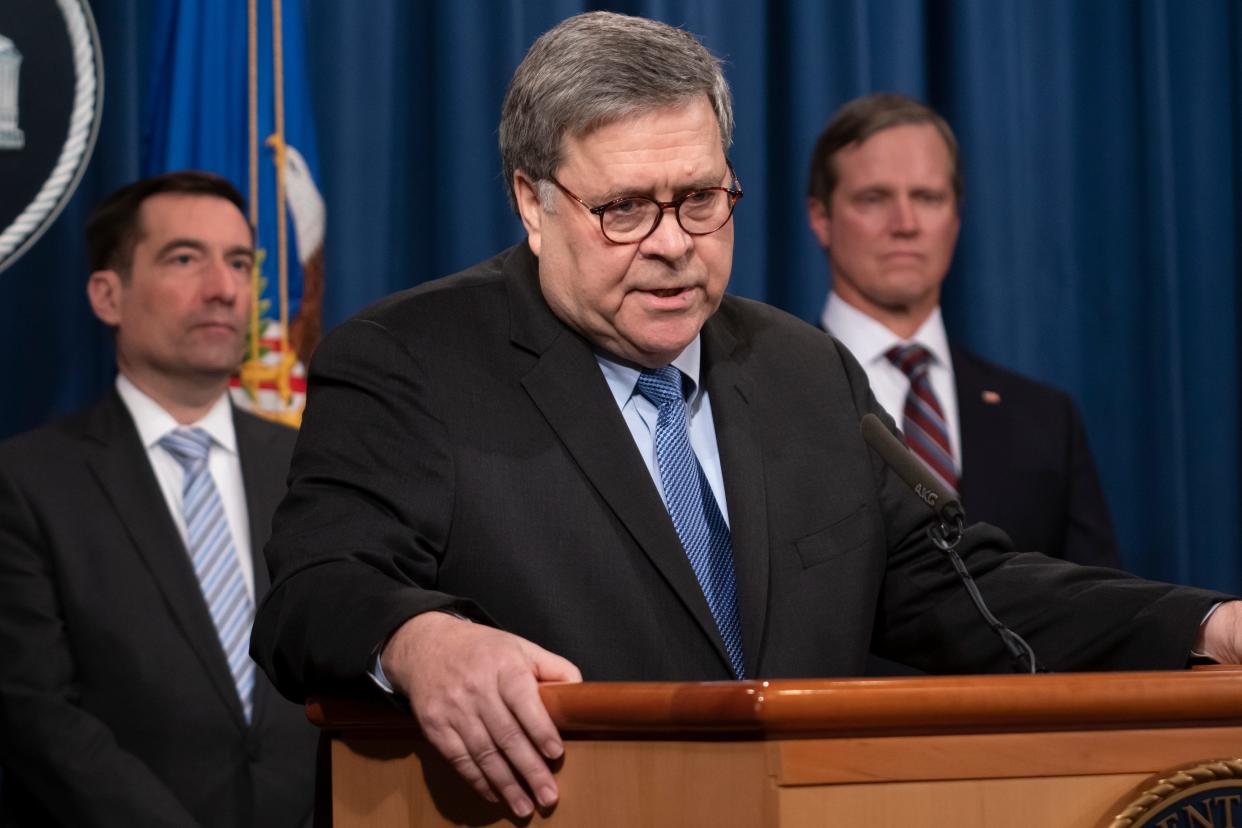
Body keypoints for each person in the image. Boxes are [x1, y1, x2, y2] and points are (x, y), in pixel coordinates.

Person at [250, 11, 1241, 821]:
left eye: (702, 200)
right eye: (627, 209)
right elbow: (314, 590)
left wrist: (1203, 623)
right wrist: (424, 640)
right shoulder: (412, 358)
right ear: (532, 200)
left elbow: (964, 589)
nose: (675, 245)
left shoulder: (802, 370)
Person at [0, 172, 317, 827]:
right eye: (184, 259)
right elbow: (35, 711)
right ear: (108, 296)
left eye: (238, 263)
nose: (224, 289)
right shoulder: (26, 482)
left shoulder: (312, 467)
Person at [807, 92, 1120, 568]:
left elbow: (1102, 611)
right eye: (874, 198)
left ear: (955, 218)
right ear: (821, 219)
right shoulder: (767, 401)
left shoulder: (1047, 419)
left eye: (927, 198)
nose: (906, 223)